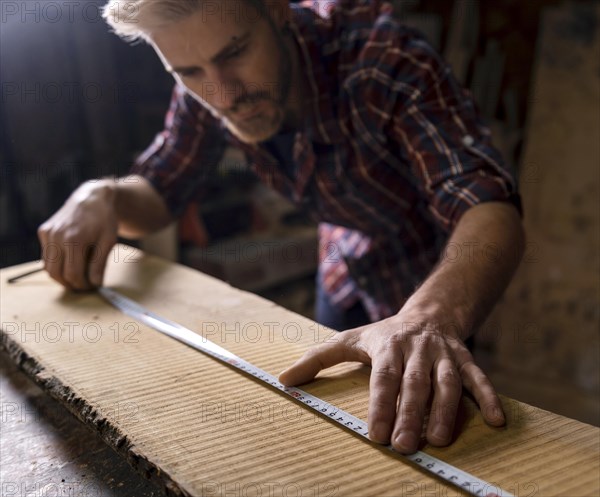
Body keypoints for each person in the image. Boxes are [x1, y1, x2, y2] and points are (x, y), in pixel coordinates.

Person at [38, 0, 525, 455]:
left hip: (438, 273)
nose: (221, 94)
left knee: (426, 419)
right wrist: (99, 194)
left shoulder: (384, 61)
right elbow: (160, 191)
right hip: (341, 258)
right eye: (187, 72)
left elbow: (487, 207)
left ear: (277, 9)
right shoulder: (208, 81)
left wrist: (429, 319)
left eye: (235, 52)